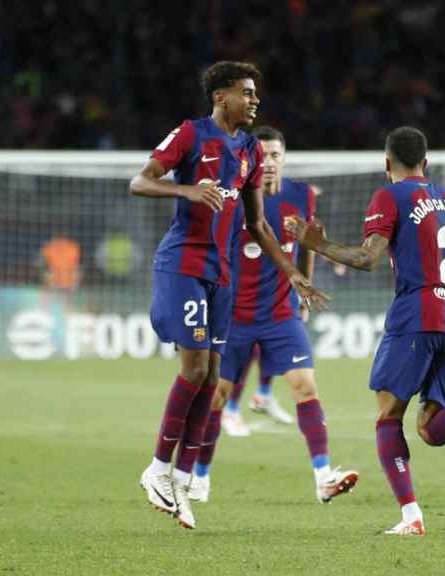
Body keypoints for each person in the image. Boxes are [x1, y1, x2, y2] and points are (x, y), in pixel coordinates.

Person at [288, 126, 445, 536]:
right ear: (427, 162)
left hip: (418, 316)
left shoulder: (391, 195)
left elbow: (368, 258)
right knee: (429, 429)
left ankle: (411, 516)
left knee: (388, 417)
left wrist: (319, 246)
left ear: (387, 164)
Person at [130, 62, 329, 530]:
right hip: (182, 263)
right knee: (196, 369)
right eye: (246, 92)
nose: (255, 99)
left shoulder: (250, 152)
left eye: (256, 92)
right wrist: (188, 190)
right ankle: (158, 467)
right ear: (221, 97)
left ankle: (181, 479)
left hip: (220, 272)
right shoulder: (190, 134)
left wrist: (294, 274)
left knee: (214, 375)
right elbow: (139, 181)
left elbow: (258, 224)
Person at [189, 126, 358, 504]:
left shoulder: (300, 195)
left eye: (275, 155)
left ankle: (322, 476)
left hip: (281, 314)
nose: (268, 163)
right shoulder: (231, 200)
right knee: (216, 398)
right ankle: (199, 478)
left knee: (305, 386)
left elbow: (310, 240)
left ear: (284, 158)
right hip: (232, 318)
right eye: (261, 156)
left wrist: (306, 287)